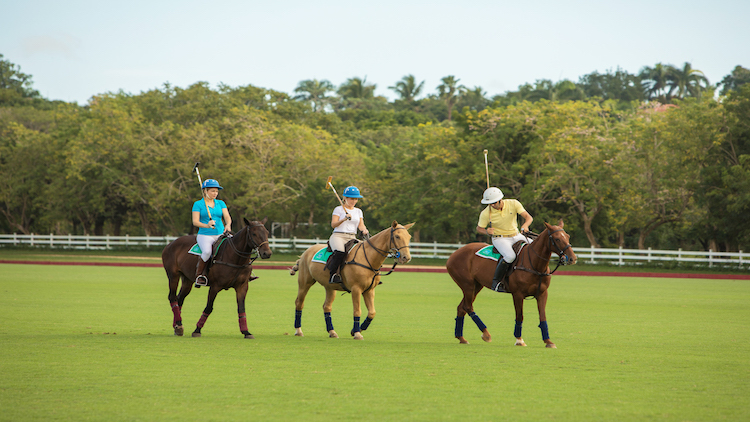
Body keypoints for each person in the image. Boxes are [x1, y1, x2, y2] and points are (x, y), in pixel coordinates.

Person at [476, 187, 533, 292]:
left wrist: (525, 225)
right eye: (490, 203)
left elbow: (528, 217)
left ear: (500, 199)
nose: (492, 205)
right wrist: (487, 231)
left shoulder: (514, 203)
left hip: (516, 235)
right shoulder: (485, 213)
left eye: (494, 202)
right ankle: (496, 282)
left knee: (535, 247)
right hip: (500, 239)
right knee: (510, 256)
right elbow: (479, 228)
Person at [192, 178, 232, 287]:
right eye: (212, 191)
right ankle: (199, 275)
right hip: (205, 235)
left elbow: (227, 217)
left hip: (220, 234)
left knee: (234, 247)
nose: (215, 193)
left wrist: (228, 225)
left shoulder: (220, 203)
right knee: (207, 252)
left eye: (217, 191)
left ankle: (241, 273)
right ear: (205, 191)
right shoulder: (198, 204)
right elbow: (195, 221)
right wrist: (207, 225)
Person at [327, 186, 369, 284]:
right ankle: (333, 275)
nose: (354, 201)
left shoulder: (358, 211)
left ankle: (369, 276)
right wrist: (344, 219)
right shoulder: (338, 209)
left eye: (355, 199)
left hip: (352, 237)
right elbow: (333, 225)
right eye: (351, 199)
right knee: (340, 253)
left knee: (366, 251)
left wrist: (364, 230)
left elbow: (361, 225)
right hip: (338, 236)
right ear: (345, 198)